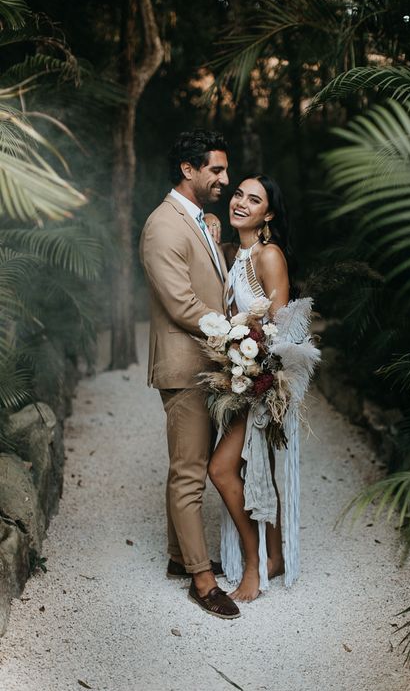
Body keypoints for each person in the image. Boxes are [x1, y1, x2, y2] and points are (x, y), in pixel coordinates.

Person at [139, 129, 241, 619]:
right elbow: (181, 304)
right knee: (189, 473)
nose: (225, 178)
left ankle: (182, 558)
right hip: (185, 366)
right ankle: (203, 581)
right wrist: (237, 335)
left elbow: (213, 284)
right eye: (216, 170)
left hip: (207, 363)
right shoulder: (163, 226)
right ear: (188, 170)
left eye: (225, 169)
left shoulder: (206, 223)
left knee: (188, 464)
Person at [206, 174, 295, 602]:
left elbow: (283, 331)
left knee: (222, 469)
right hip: (240, 380)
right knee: (256, 470)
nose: (240, 202)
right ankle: (274, 556)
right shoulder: (235, 253)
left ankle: (253, 565)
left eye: (253, 199)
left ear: (268, 214)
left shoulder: (268, 255)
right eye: (238, 194)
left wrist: (251, 359)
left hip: (260, 383)